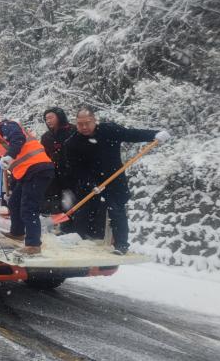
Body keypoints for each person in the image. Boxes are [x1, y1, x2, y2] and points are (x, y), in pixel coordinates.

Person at [64, 107, 171, 254]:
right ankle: (80, 242)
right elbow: (76, 169)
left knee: (116, 210)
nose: (84, 127)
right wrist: (91, 184)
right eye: (80, 124)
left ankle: (121, 245)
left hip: (114, 179)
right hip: (90, 182)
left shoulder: (109, 130)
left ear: (95, 121)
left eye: (87, 123)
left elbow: (131, 134)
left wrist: (154, 135)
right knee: (84, 211)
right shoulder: (72, 143)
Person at [0, 109, 55, 256]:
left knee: (29, 207)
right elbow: (15, 163)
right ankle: (18, 232)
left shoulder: (6, 126)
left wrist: (9, 156)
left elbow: (18, 138)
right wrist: (13, 183)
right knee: (14, 202)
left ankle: (33, 245)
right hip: (27, 172)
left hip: (38, 168)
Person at [39, 107, 76, 214]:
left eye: (51, 117)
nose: (48, 121)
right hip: (54, 175)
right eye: (46, 119)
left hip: (73, 173)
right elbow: (43, 155)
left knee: (73, 202)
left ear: (60, 117)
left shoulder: (73, 131)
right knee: (56, 203)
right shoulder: (46, 137)